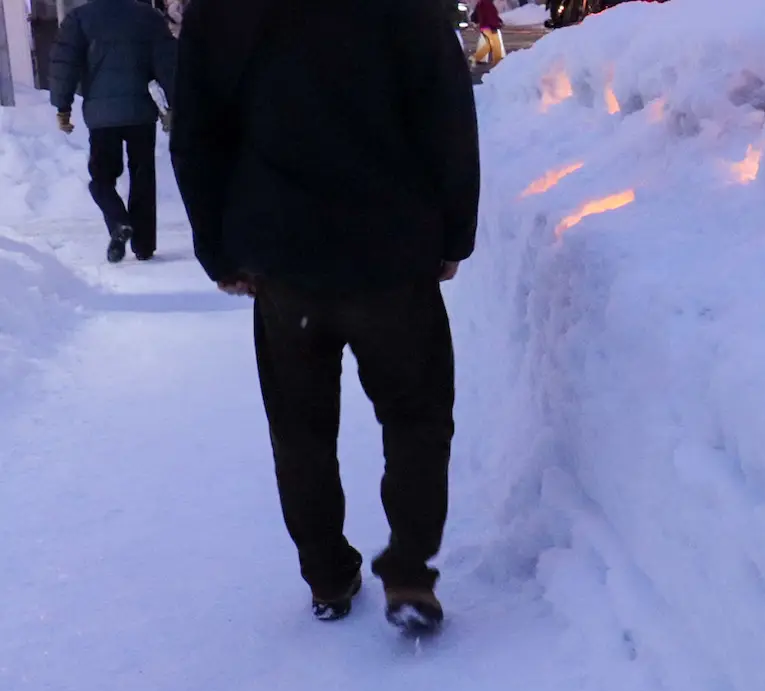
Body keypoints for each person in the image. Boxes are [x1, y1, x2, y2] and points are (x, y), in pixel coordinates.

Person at [170, 0, 480, 634]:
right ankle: (411, 573)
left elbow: (197, 130)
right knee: (417, 419)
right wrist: (453, 235)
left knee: (301, 430)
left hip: (284, 262)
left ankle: (328, 577)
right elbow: (446, 112)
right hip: (392, 253)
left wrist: (219, 249)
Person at [51, 0, 176, 264]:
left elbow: (66, 63)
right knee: (143, 176)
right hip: (140, 112)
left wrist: (63, 106)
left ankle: (119, 222)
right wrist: (175, 104)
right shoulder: (148, 17)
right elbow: (168, 63)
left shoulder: (80, 19)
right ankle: (144, 246)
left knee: (101, 178)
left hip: (101, 116)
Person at [470, 0, 504, 68]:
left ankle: (479, 58)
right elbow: (490, 16)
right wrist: (496, 24)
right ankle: (477, 58)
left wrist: (499, 21)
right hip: (489, 26)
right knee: (492, 43)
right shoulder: (486, 3)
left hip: (487, 25)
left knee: (491, 43)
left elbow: (492, 15)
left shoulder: (483, 3)